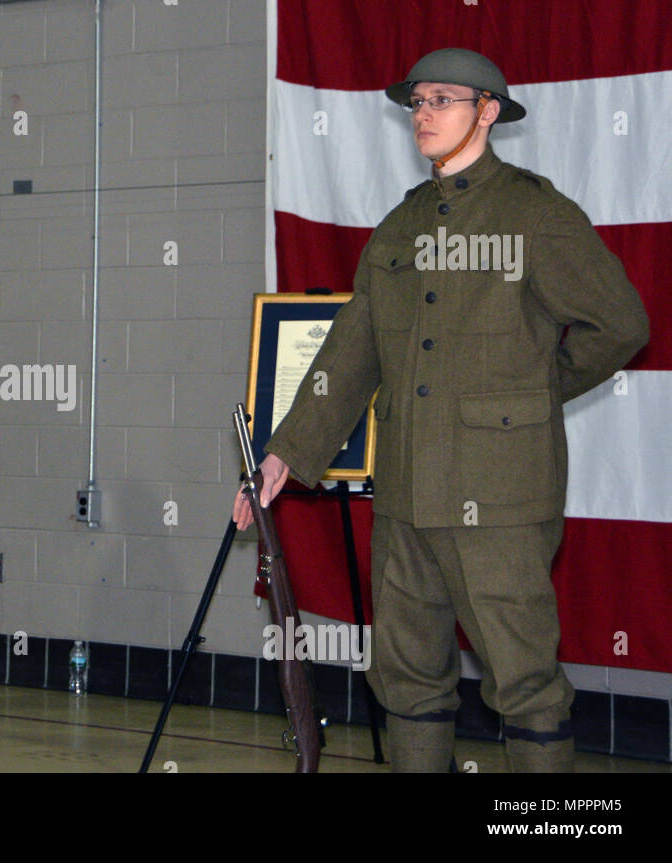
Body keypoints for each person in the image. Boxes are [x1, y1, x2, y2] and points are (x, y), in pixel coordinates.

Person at [233, 49, 649, 772]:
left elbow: (622, 324)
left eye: (443, 100)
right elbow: (351, 352)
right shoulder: (400, 225)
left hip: (499, 494)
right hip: (403, 495)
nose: (423, 113)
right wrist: (283, 454)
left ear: (488, 111)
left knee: (524, 683)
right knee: (408, 679)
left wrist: (527, 392)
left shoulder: (534, 213)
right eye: (417, 101)